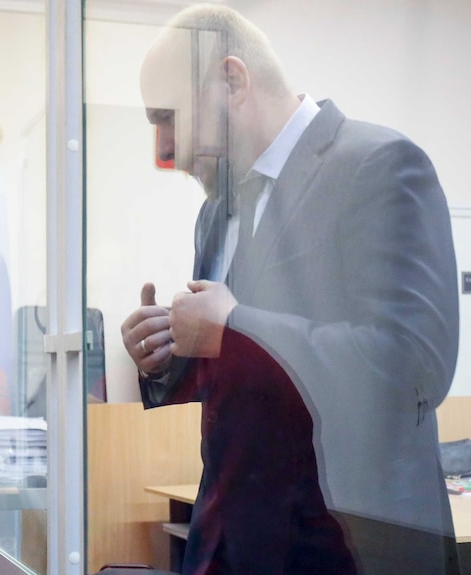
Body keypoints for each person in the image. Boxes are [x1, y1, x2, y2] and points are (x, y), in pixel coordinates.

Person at [120, 5, 459, 574]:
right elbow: (246, 383)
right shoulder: (215, 212)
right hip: (232, 547)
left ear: (233, 80)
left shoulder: (380, 167)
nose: (165, 147)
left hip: (348, 551)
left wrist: (234, 329)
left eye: (168, 117)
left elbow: (416, 368)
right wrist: (169, 358)